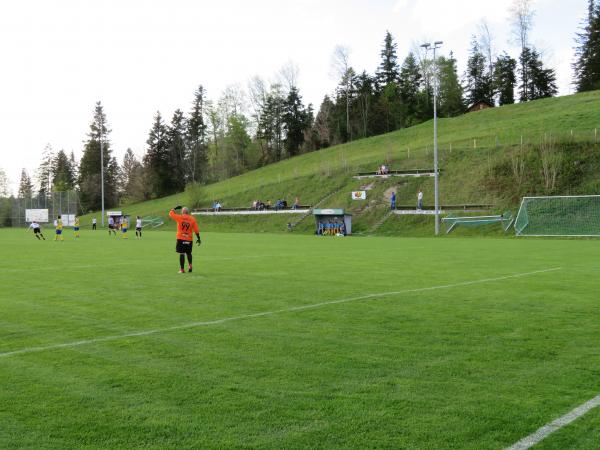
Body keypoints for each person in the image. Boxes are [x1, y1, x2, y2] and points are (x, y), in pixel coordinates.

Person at [169, 206, 201, 274]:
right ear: (188, 212)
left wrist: (174, 208)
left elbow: (171, 214)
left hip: (181, 238)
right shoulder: (192, 219)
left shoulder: (179, 217)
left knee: (182, 254)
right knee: (189, 253)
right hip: (189, 239)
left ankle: (182, 269)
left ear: (182, 212)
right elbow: (196, 230)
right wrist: (198, 238)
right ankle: (190, 265)